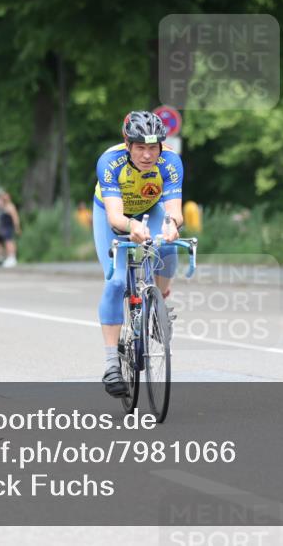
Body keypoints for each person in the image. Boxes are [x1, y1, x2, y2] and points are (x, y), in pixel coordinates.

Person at [93, 111, 184, 398]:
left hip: (151, 208)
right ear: (128, 145)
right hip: (114, 216)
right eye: (140, 148)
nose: (147, 155)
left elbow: (174, 211)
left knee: (167, 245)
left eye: (153, 148)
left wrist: (171, 225)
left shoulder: (170, 162)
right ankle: (111, 364)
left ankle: (160, 304)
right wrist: (131, 226)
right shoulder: (110, 162)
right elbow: (116, 217)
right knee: (117, 282)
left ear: (161, 146)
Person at [0, 191, 20, 268]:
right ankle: (7, 257)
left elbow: (15, 217)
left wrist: (17, 227)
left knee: (9, 242)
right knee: (4, 243)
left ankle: (12, 257)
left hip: (9, 227)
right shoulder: (3, 207)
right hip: (3, 228)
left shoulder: (10, 206)